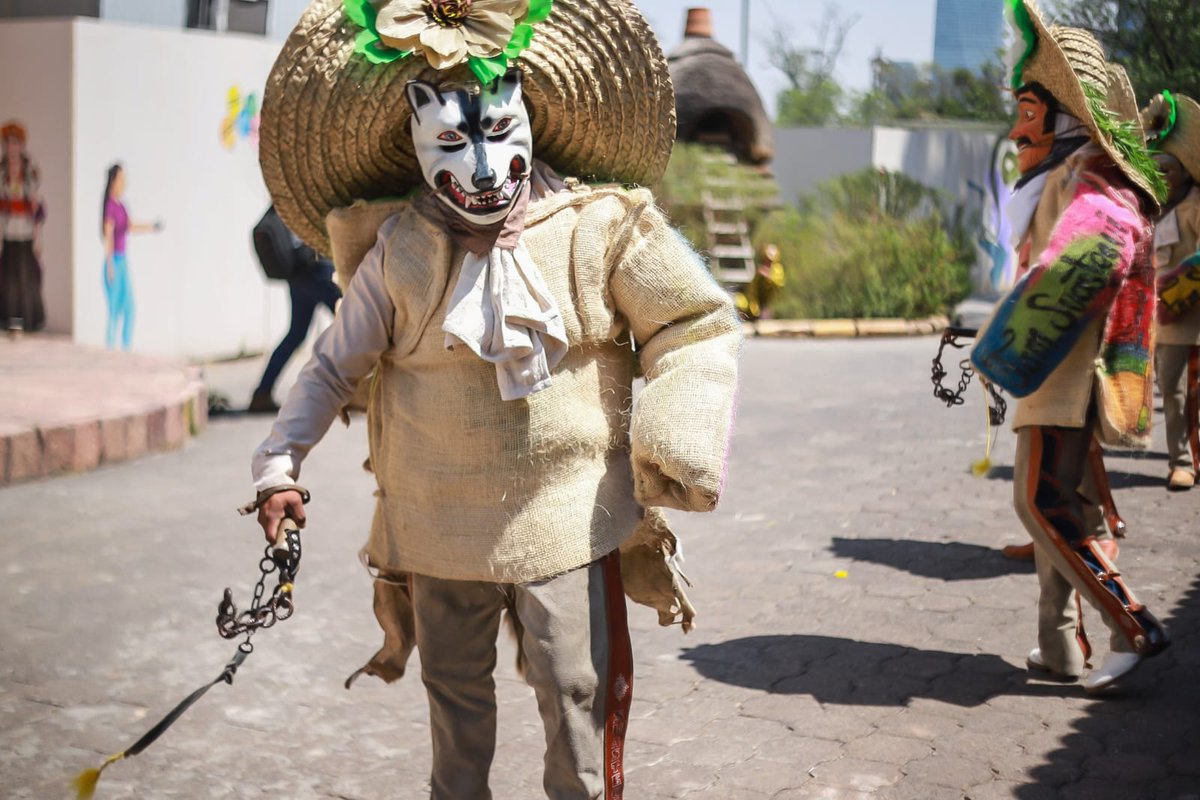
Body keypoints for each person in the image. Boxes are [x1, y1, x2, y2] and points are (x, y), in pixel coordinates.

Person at [246, 1, 740, 798]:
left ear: (531, 122)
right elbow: (332, 368)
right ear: (414, 138)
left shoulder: (597, 229)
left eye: (499, 132)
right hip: (439, 531)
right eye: (451, 140)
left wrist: (679, 427)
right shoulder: (399, 252)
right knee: (456, 707)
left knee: (575, 691)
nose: (481, 167)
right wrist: (279, 465)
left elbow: (693, 322)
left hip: (568, 523)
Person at [971, 0, 1169, 694]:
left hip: (1066, 373)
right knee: (1063, 504)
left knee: (1040, 505)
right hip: (1053, 373)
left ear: (1060, 117)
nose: (1018, 122)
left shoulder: (1091, 172)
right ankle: (1060, 649)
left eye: (1028, 107)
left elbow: (1100, 248)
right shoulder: (1059, 173)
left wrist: (1018, 333)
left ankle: (1132, 625)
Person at [1142, 92, 1200, 490]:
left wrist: (1183, 285)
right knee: (1172, 389)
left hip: (1192, 311)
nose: (1160, 177)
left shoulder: (1195, 206)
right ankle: (1181, 461)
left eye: (1167, 169)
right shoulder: (1149, 211)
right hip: (1165, 319)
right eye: (1154, 169)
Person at [247, 206, 342, 414]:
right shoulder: (306, 202)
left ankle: (262, 392)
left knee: (295, 334)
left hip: (299, 277)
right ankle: (352, 391)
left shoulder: (284, 206)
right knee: (352, 327)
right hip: (318, 271)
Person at [101, 163, 161, 351]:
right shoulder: (110, 206)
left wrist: (151, 227)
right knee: (113, 310)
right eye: (121, 178)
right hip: (114, 262)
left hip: (123, 261)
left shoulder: (121, 206)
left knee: (129, 308)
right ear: (114, 181)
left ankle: (126, 349)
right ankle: (110, 350)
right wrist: (109, 263)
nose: (124, 182)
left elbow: (130, 226)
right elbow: (108, 235)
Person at [0, 121, 46, 333]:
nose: (12, 148)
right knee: (8, 277)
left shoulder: (29, 171)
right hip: (9, 232)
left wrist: (38, 237)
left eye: (15, 143)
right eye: (8, 143)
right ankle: (9, 319)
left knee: (26, 276)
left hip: (26, 231)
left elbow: (36, 207)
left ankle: (30, 320)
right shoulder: (2, 172)